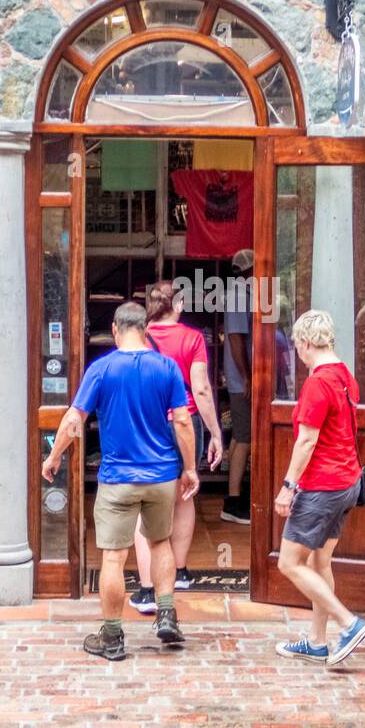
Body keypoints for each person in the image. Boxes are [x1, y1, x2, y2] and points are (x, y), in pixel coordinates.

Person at [41, 302, 199, 661]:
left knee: (113, 558)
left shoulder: (102, 369)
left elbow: (72, 421)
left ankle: (112, 637)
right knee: (161, 545)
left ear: (115, 329)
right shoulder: (167, 367)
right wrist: (189, 469)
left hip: (118, 479)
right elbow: (183, 422)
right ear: (145, 330)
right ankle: (166, 614)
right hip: (161, 475)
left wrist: (53, 458)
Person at [273, 310, 365, 667]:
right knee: (320, 560)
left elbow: (306, 441)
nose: (297, 352)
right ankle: (316, 642)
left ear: (307, 342)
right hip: (347, 481)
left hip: (323, 485)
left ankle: (348, 623)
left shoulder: (317, 383)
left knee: (289, 562)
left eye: (298, 344)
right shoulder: (345, 376)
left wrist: (288, 487)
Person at [129, 281, 224, 613]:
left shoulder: (138, 336)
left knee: (148, 500)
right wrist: (215, 433)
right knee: (185, 493)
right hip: (187, 422)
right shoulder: (193, 338)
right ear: (179, 305)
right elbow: (200, 390)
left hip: (149, 421)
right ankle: (180, 571)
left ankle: (146, 589)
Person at [221, 249, 254, 524]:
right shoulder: (238, 294)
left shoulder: (241, 293)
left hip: (238, 378)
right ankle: (233, 501)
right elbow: (236, 339)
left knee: (238, 437)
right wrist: (247, 377)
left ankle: (232, 493)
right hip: (240, 380)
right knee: (245, 437)